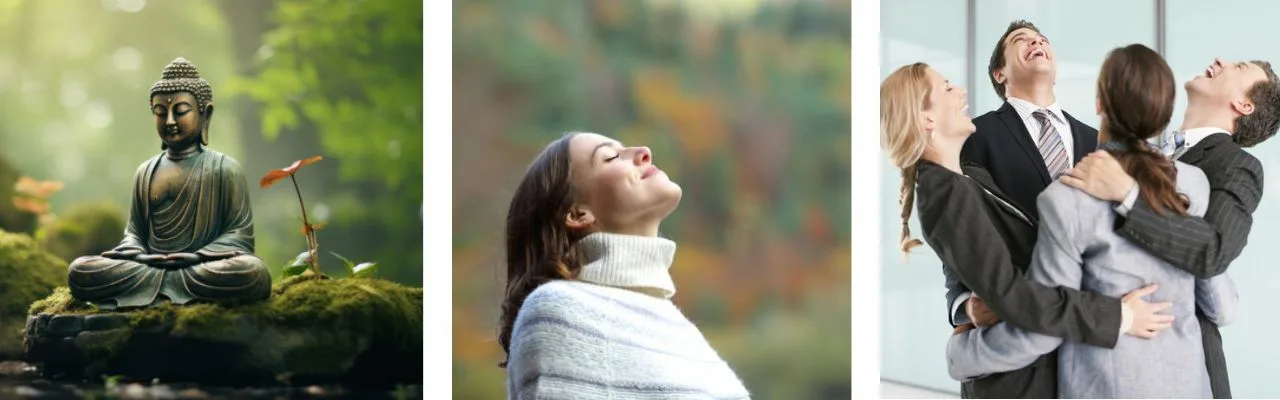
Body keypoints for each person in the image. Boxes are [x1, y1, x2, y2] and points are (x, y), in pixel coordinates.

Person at [946, 44, 1239, 399]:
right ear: (1164, 112)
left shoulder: (1066, 199)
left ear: (1099, 102)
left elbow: (1043, 327)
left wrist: (961, 356)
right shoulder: (1192, 183)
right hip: (1188, 387)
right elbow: (1222, 307)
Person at [880, 62, 1170, 398]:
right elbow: (1013, 295)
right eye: (946, 88)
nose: (960, 91)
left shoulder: (967, 176)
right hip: (1020, 384)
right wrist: (1119, 317)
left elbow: (975, 270)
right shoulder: (944, 191)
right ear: (926, 118)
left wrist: (970, 306)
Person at [1062, 56, 1280, 398]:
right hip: (1111, 361)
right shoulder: (1144, 151)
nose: (1221, 60)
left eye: (1238, 68)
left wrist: (1127, 194)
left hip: (1185, 368)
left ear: (1244, 105)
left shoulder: (1238, 166)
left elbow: (1214, 250)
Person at [498, 133, 749, 400]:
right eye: (611, 156)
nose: (644, 151)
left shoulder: (679, 328)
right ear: (577, 214)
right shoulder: (559, 309)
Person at [67, 57, 271, 309]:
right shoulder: (145, 172)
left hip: (200, 268)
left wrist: (196, 256)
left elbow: (239, 237)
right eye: (160, 112)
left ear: (205, 113)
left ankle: (159, 291)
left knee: (251, 271)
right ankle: (165, 288)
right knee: (80, 271)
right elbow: (134, 233)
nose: (170, 121)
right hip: (147, 268)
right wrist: (137, 253)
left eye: (181, 111)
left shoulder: (225, 169)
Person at [950, 20, 1103, 333]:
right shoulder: (975, 136)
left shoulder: (1097, 141)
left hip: (1088, 312)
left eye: (1042, 39)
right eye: (1022, 40)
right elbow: (958, 226)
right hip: (1014, 313)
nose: (1037, 43)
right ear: (1000, 73)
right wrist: (964, 302)